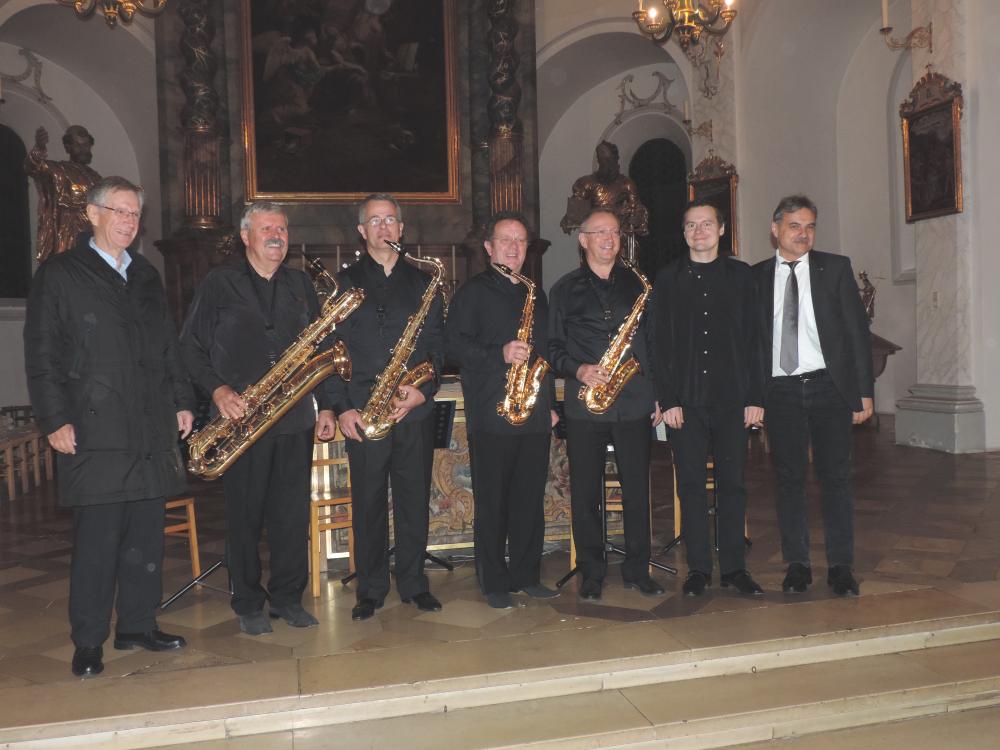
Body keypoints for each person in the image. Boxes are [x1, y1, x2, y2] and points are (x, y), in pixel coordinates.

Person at [23, 176, 194, 678]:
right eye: (119, 211)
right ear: (93, 214)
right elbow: (41, 352)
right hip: (94, 427)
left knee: (145, 535)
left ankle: (138, 624)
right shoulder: (60, 273)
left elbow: (167, 344)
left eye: (135, 213)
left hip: (148, 425)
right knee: (98, 541)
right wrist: (54, 418)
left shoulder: (145, 274)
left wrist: (182, 400)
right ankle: (89, 639)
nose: (129, 221)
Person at [180, 202, 337, 635]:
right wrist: (218, 389)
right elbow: (190, 346)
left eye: (282, 229)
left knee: (291, 516)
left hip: (294, 419)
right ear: (246, 236)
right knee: (245, 516)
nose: (276, 236)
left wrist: (325, 405)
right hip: (240, 420)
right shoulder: (220, 282)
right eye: (266, 228)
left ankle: (288, 598)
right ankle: (247, 601)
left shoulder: (300, 284)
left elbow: (319, 352)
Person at [329, 193, 445, 621]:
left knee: (414, 501)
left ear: (401, 228)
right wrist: (342, 407)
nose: (383, 227)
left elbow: (438, 346)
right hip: (362, 412)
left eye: (390, 220)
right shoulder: (342, 283)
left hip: (412, 410)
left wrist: (423, 390)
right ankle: (371, 588)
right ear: (362, 231)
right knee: (368, 503)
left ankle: (414, 583)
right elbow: (328, 351)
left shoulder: (424, 282)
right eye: (374, 221)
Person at [752, 195, 874, 597]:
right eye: (794, 226)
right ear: (775, 230)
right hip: (780, 390)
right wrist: (752, 396)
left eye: (810, 227)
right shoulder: (755, 277)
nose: (803, 234)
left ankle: (841, 567)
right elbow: (750, 343)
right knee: (788, 479)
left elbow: (857, 333)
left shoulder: (834, 268)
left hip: (829, 387)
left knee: (835, 478)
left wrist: (863, 392)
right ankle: (797, 565)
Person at [548, 208, 664, 601]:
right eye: (599, 232)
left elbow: (652, 344)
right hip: (585, 404)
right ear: (583, 240)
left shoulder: (638, 284)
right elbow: (551, 348)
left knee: (637, 491)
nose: (609, 239)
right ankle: (592, 572)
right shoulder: (564, 289)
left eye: (614, 232)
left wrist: (657, 394)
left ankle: (638, 569)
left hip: (633, 401)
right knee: (585, 493)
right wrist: (578, 369)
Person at [446, 211, 560, 609]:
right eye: (505, 240)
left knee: (529, 501)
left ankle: (527, 575)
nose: (514, 247)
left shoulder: (536, 294)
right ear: (489, 247)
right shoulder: (472, 293)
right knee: (493, 503)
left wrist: (549, 406)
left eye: (521, 241)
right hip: (491, 414)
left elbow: (545, 355)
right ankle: (493, 581)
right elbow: (452, 346)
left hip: (533, 413)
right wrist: (500, 353)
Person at [653, 202, 764, 597]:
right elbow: (658, 344)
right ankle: (698, 568)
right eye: (691, 225)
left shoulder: (742, 276)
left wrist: (756, 396)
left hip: (733, 399)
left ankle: (734, 568)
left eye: (706, 224)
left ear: (721, 230)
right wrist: (668, 400)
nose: (698, 231)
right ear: (684, 233)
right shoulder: (667, 279)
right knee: (691, 487)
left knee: (733, 485)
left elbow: (756, 339)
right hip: (685, 403)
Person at [23, 125, 102, 262]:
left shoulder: (96, 177)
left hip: (93, 234)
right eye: (77, 145)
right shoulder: (59, 170)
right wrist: (39, 148)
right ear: (68, 147)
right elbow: (32, 167)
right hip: (68, 233)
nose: (83, 149)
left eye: (86, 145)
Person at [559, 141, 649, 236]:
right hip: (595, 231)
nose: (605, 163)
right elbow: (577, 210)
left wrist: (635, 217)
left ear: (615, 159)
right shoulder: (587, 182)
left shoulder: (626, 184)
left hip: (617, 231)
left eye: (608, 160)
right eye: (602, 160)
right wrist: (570, 217)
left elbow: (637, 208)